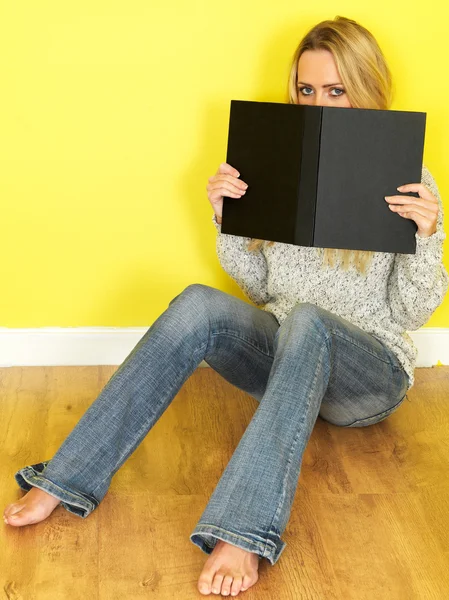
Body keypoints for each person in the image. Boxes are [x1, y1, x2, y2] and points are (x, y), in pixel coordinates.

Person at [3, 15, 448, 598]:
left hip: (369, 377)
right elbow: (262, 293)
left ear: (365, 88)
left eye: (337, 91)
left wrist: (429, 234)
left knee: (311, 321)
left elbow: (412, 313)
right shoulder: (280, 160)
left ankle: (244, 531)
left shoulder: (407, 179)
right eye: (308, 90)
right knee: (198, 304)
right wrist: (228, 219)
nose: (320, 104)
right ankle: (66, 478)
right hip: (290, 359)